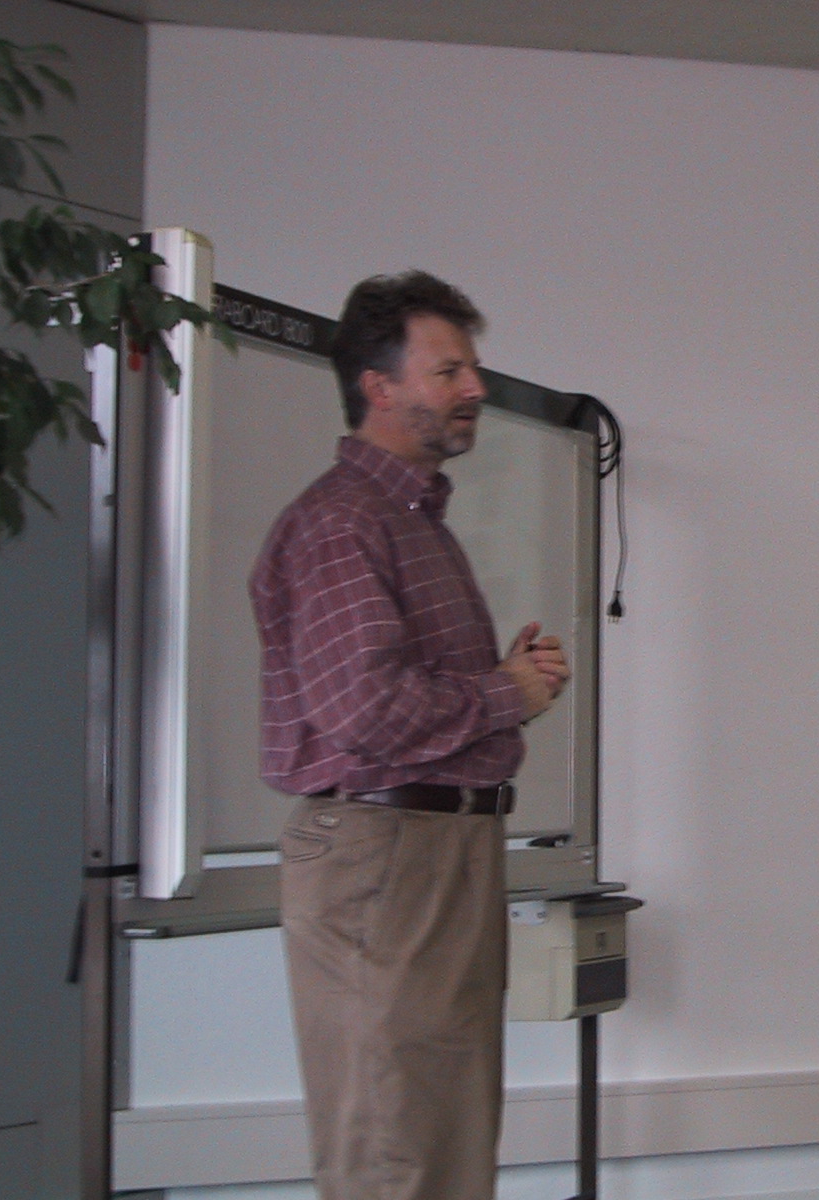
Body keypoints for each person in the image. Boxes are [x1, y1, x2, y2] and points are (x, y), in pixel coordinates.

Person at [249, 270, 570, 1200]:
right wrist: (505, 692)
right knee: (397, 1153)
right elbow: (364, 711)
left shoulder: (412, 518)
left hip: (435, 849)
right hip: (386, 854)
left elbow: (396, 694)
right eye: (449, 370)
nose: (476, 387)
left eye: (472, 368)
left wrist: (507, 685)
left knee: (442, 1143)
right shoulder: (342, 522)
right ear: (378, 387)